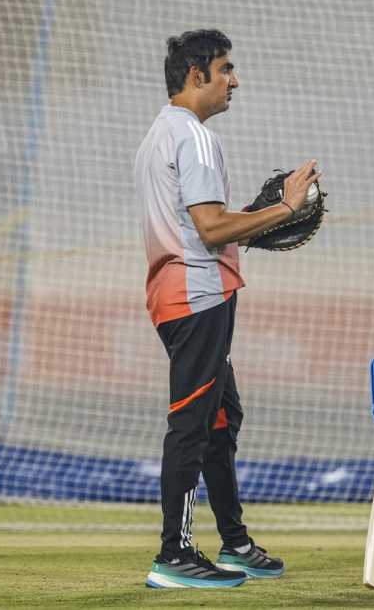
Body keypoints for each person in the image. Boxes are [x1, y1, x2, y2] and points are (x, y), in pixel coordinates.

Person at [134, 29, 322, 589]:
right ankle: (174, 553)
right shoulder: (192, 137)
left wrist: (255, 222)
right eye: (226, 69)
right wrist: (285, 208)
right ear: (197, 75)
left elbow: (203, 227)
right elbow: (211, 227)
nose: (234, 80)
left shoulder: (161, 133)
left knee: (221, 418)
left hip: (187, 293)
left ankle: (234, 542)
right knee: (192, 423)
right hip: (197, 298)